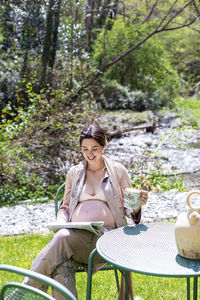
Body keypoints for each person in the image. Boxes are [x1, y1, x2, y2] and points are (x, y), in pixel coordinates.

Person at [24, 124, 148, 299]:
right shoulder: (74, 173)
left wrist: (138, 204)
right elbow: (65, 208)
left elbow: (129, 208)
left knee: (61, 239)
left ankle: (25, 292)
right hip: (75, 237)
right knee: (61, 264)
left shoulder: (118, 171)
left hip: (107, 240)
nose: (90, 153)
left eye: (95, 148)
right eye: (85, 149)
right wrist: (61, 221)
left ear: (104, 144)